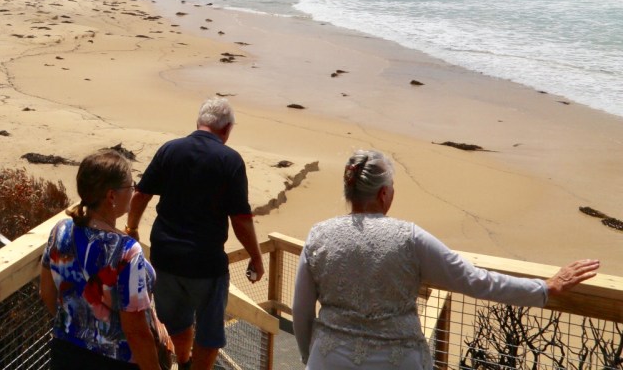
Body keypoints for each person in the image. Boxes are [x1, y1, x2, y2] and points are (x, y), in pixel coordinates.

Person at [292, 149, 601, 369]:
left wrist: (310, 356)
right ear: (384, 194)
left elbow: (302, 311)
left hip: (328, 360)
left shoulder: (318, 236)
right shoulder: (409, 238)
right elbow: (475, 280)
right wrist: (544, 288)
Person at [125, 97, 265, 370]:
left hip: (166, 256)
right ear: (226, 129)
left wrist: (132, 228)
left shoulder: (170, 150)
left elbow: (140, 195)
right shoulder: (230, 160)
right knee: (210, 334)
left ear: (198, 122)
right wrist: (256, 258)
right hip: (205, 263)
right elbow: (241, 220)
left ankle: (184, 361)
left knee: (176, 321)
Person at [40, 149, 173, 370]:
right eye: (130, 187)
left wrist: (76, 327)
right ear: (111, 196)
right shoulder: (126, 251)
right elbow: (136, 332)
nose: (133, 191)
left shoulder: (60, 230)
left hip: (65, 354)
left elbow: (46, 292)